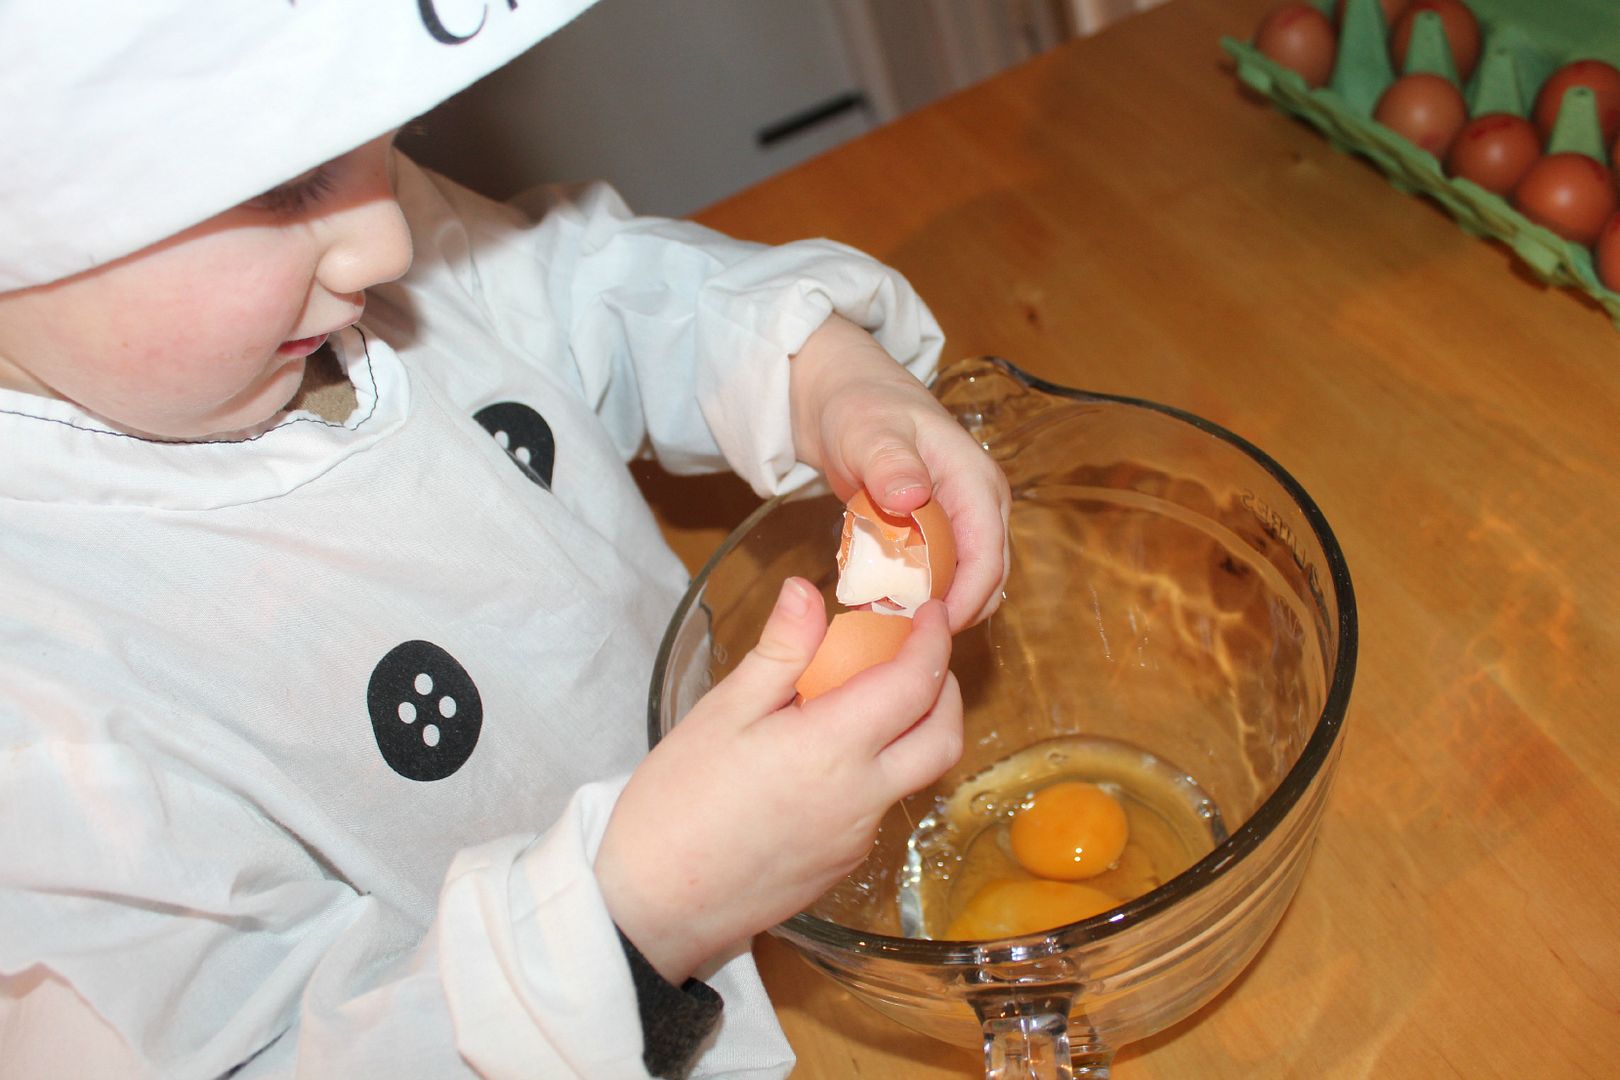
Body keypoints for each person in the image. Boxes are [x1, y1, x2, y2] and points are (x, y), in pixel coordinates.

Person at [0, 2, 1009, 1077]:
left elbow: (589, 289)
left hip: (755, 866)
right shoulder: (46, 739)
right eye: (286, 182)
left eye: (388, 143)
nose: (385, 238)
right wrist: (639, 921)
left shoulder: (341, 261)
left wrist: (815, 370)